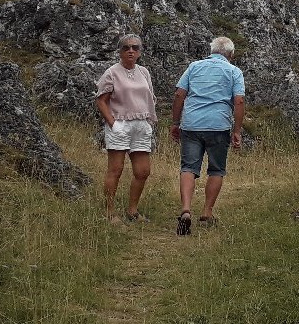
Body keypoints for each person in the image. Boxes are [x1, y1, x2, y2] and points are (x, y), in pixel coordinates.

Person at [170, 36, 245, 235]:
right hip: (218, 125)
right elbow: (239, 101)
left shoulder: (194, 67)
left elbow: (179, 94)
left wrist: (175, 123)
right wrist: (236, 131)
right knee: (216, 169)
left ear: (211, 51)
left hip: (192, 124)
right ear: (231, 54)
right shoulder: (234, 71)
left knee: (188, 167)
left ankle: (186, 209)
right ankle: (207, 212)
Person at [95, 33, 157, 223]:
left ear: (139, 52)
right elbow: (101, 100)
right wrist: (113, 124)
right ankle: (109, 213)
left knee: (143, 171)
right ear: (120, 51)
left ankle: (132, 211)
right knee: (116, 169)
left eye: (135, 48)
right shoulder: (112, 72)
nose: (131, 51)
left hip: (141, 124)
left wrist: (149, 120)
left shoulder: (144, 72)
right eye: (126, 47)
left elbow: (150, 97)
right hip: (120, 123)